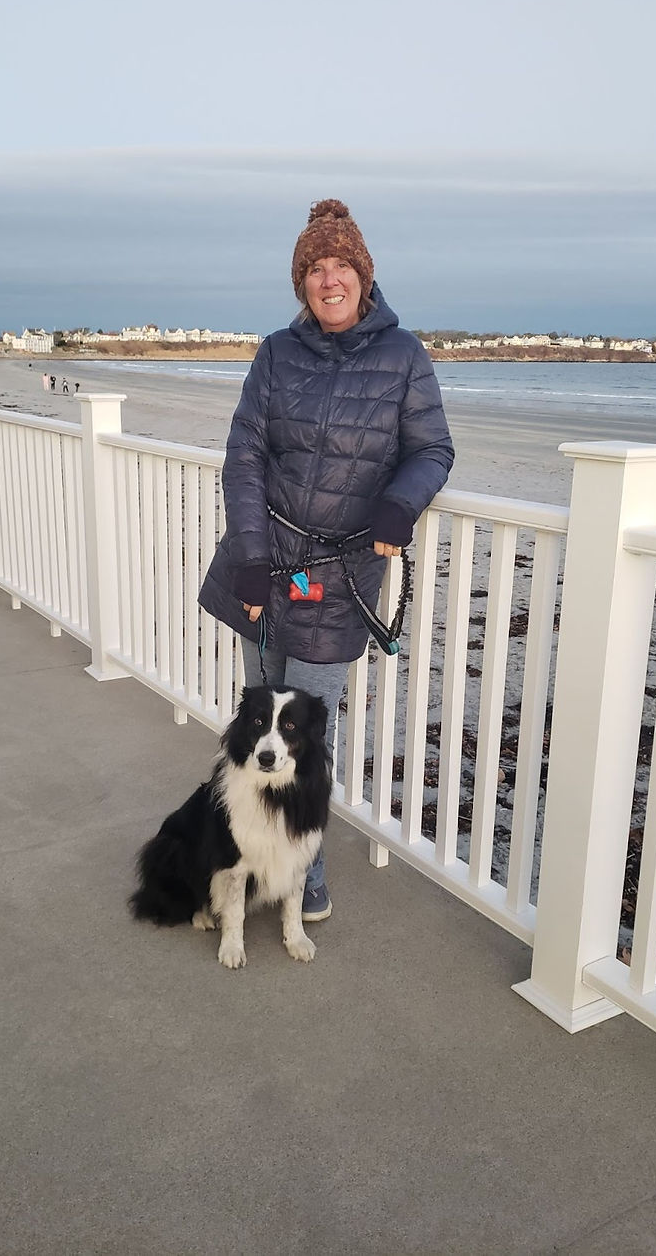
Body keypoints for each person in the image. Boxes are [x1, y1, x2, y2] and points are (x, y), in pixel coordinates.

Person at [199, 199, 454, 922]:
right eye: (315, 267)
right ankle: (254, 859)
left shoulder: (404, 356)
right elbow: (243, 453)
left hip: (338, 576)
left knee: (309, 727)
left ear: (364, 276)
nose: (329, 278)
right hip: (265, 562)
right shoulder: (276, 352)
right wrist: (249, 556)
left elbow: (432, 449)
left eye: (341, 264)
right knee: (260, 720)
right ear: (301, 281)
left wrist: (400, 505)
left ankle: (304, 871)